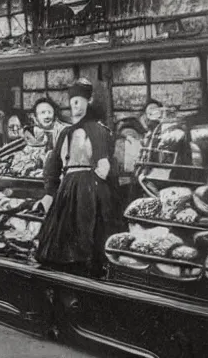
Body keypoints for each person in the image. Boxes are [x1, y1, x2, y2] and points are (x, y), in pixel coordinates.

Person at [34, 78, 120, 277]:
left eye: (81, 101)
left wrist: (105, 166)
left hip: (92, 190)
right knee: (60, 242)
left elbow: (106, 162)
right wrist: (50, 191)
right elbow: (53, 165)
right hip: (68, 188)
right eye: (73, 102)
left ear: (88, 102)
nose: (77, 106)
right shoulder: (65, 133)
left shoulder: (100, 131)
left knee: (90, 237)